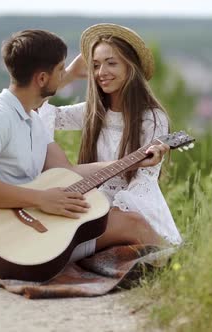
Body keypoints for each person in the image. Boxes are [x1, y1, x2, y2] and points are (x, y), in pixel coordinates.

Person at [0, 29, 169, 262]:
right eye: (61, 70)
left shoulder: (32, 120)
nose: (67, 75)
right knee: (135, 225)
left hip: (28, 219)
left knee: (114, 219)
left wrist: (131, 161)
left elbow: (68, 171)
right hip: (1, 231)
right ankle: (173, 272)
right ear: (42, 78)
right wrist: (40, 198)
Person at [38, 23, 183, 249]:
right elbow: (40, 111)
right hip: (91, 203)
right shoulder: (93, 111)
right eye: (95, 65)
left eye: (111, 63)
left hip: (131, 208)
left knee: (123, 225)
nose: (101, 73)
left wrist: (114, 210)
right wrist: (69, 76)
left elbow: (143, 182)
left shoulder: (152, 118)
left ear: (130, 67)